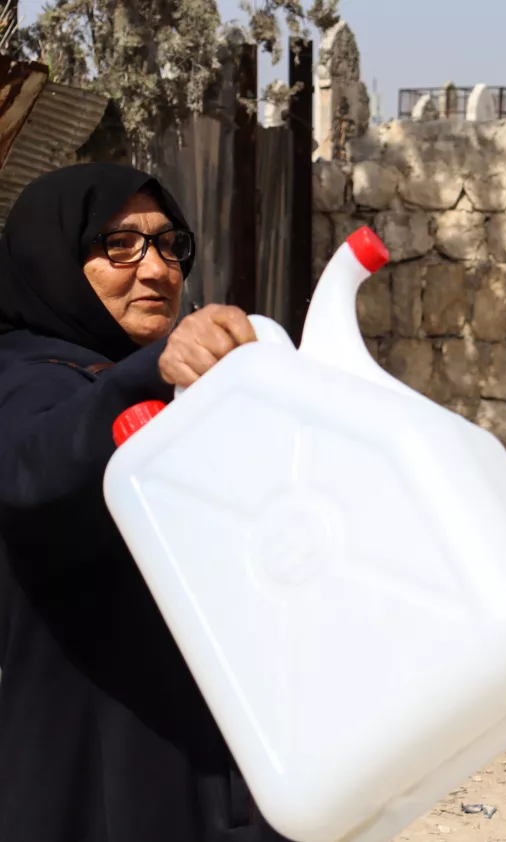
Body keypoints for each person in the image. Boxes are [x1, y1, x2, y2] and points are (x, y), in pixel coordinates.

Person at [0, 163, 289, 841]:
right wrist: (145, 376)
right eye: (119, 245)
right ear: (55, 256)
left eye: (168, 245)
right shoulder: (22, 378)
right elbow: (35, 467)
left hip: (199, 763)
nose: (156, 270)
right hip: (89, 776)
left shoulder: (171, 389)